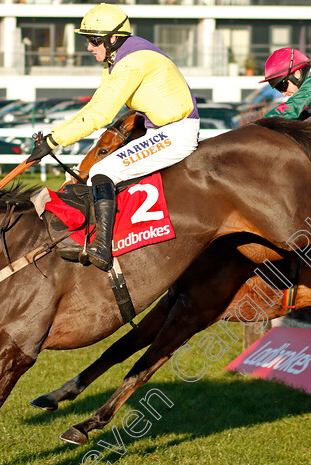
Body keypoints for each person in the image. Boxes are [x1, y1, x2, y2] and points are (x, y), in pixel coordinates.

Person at [27, 3, 200, 272]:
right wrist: (50, 138)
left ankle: (102, 248)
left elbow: (101, 115)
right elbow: (92, 107)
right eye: (87, 40)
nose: (89, 47)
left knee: (102, 171)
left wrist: (54, 142)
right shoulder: (117, 61)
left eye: (94, 40)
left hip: (175, 133)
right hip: (160, 131)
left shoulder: (132, 62)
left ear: (113, 38)